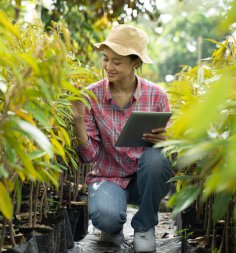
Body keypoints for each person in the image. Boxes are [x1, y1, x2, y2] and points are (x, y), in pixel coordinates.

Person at [71, 24, 172, 252]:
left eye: (117, 61)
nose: (109, 66)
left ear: (135, 62)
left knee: (157, 159)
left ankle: (145, 227)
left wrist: (168, 139)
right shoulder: (92, 95)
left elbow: (170, 150)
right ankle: (112, 226)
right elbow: (90, 156)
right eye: (106, 59)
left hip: (145, 180)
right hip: (108, 176)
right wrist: (78, 119)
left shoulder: (157, 96)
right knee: (106, 217)